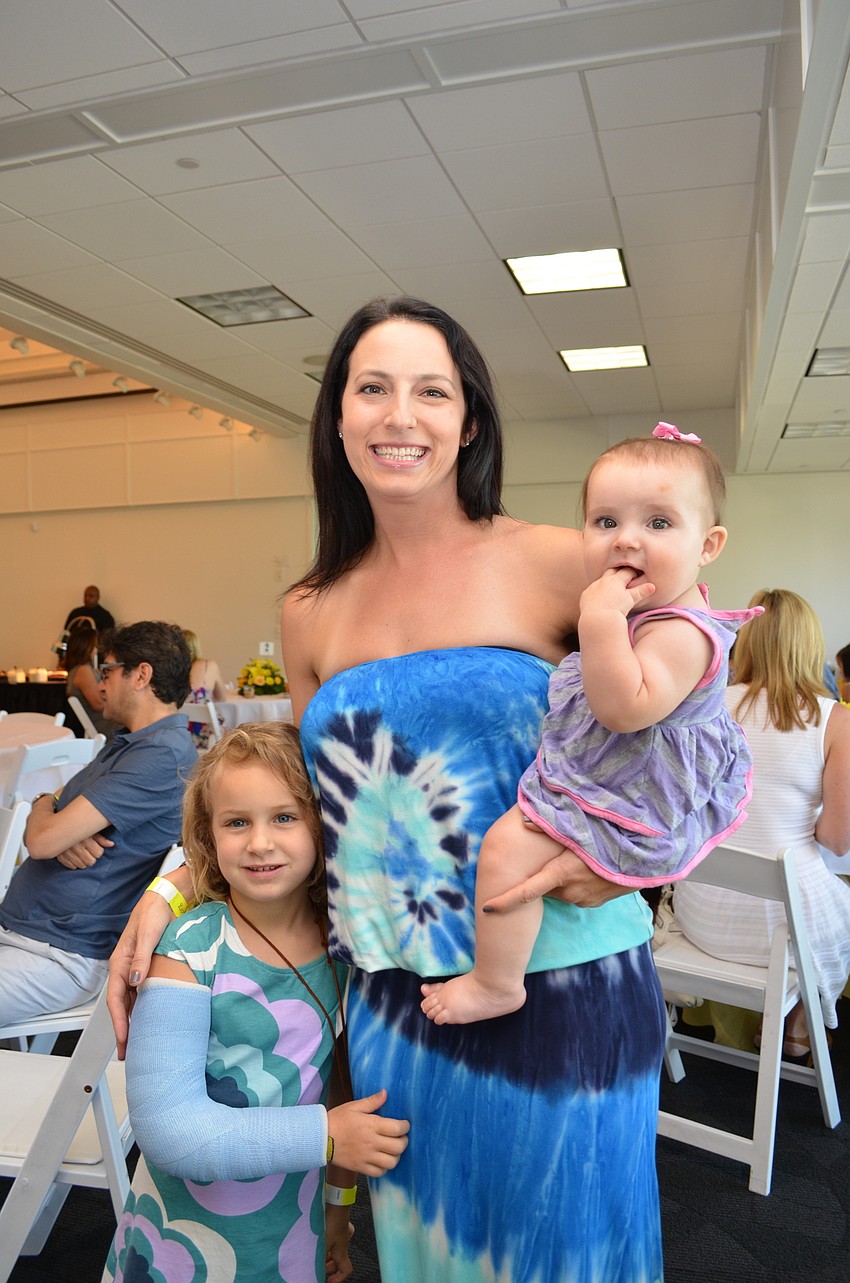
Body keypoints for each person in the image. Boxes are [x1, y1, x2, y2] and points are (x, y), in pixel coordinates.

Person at [108, 297, 668, 1283]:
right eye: (372, 388)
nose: (399, 414)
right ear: (338, 417)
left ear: (471, 420)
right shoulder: (310, 608)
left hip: (562, 984)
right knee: (426, 1255)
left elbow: (685, 740)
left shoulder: (560, 560)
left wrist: (637, 857)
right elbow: (304, 803)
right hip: (397, 1005)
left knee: (564, 1252)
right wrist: (171, 885)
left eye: (431, 391)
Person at [421, 423, 759, 1025]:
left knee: (504, 849)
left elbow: (623, 708)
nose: (626, 539)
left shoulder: (684, 632)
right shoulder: (648, 614)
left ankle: (496, 983)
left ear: (708, 545)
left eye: (659, 523)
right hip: (612, 776)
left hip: (633, 792)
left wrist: (599, 622)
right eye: (606, 521)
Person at [104, 722, 408, 1283]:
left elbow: (339, 1085)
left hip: (292, 1236)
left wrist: (338, 1208)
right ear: (208, 835)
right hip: (178, 1248)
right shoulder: (188, 948)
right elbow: (170, 1131)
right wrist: (325, 1136)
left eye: (285, 817)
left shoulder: (345, 947)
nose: (259, 842)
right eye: (236, 822)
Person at [674, 589, 850, 1054]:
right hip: (784, 931)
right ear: (809, 646)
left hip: (701, 911)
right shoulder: (835, 722)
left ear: (745, 641)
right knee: (838, 908)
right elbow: (837, 840)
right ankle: (796, 1028)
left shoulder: (704, 704)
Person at [0, 621, 196, 1023]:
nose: (100, 684)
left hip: (59, 954)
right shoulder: (132, 742)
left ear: (141, 675)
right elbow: (51, 809)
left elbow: (41, 841)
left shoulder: (160, 755)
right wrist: (47, 807)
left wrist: (54, 822)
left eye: (107, 671)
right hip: (28, 936)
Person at [65, 620, 118, 740]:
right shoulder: (83, 670)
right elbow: (98, 705)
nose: (97, 649)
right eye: (95, 645)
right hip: (102, 725)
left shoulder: (81, 669)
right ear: (87, 646)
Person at [181, 628, 228, 751]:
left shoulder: (169, 672)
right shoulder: (208, 665)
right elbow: (222, 697)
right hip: (208, 737)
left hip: (180, 736)